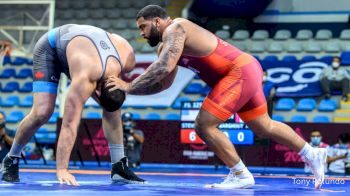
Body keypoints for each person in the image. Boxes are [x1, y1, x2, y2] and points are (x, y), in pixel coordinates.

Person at [106, 5, 327, 189]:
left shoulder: (176, 27)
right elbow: (163, 84)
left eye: (143, 27)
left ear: (157, 21)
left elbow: (163, 67)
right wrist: (130, 89)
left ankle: (240, 174)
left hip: (239, 72)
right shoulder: (164, 46)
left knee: (204, 125)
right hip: (245, 70)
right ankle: (312, 153)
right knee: (263, 126)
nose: (141, 33)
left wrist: (128, 84)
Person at [1, 24, 145, 185]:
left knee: (113, 107)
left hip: (81, 49)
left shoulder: (128, 58)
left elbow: (110, 96)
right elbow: (69, 124)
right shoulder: (85, 78)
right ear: (96, 88)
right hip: (52, 48)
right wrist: (62, 169)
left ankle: (119, 166)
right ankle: (11, 158)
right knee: (42, 112)